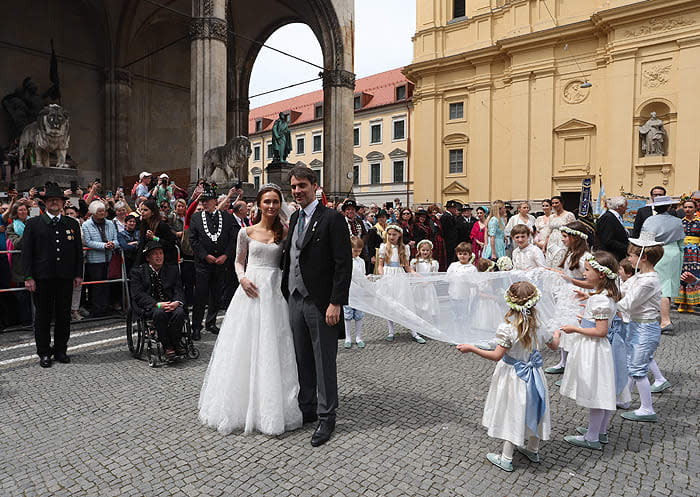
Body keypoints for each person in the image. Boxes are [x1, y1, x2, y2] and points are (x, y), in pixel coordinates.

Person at [199, 184, 302, 435]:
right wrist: (242, 278)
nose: (271, 206)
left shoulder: (285, 232)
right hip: (250, 290)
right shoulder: (245, 232)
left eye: (276, 202)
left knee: (273, 344)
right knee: (243, 346)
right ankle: (241, 404)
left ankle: (272, 405)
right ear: (259, 204)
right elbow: (237, 261)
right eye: (267, 201)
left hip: (274, 291)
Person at [282, 166, 352, 447]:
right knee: (302, 357)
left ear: (315, 186)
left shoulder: (332, 218)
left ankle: (327, 416)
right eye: (294, 187)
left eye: (302, 186)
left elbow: (343, 265)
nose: (297, 191)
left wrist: (336, 302)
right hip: (295, 298)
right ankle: (308, 407)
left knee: (324, 360)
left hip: (321, 302)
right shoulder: (296, 216)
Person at [456, 281, 552, 472]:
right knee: (535, 407)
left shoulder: (508, 327)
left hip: (512, 376)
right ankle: (533, 448)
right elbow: (554, 344)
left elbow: (497, 355)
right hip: (535, 373)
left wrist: (472, 349)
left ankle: (506, 457)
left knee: (512, 412)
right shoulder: (539, 324)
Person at [554, 251, 619, 450]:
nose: (584, 273)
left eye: (588, 270)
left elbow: (600, 330)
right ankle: (599, 430)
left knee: (595, 393)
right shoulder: (604, 295)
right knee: (601, 391)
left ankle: (592, 437)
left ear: (601, 275)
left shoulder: (600, 300)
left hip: (593, 349)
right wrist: (587, 301)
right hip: (597, 348)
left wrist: (575, 328)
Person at [22, 183, 83, 368]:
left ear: (63, 203)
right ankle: (44, 352)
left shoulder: (71, 223)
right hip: (42, 278)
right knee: (43, 317)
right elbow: (27, 253)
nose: (54, 203)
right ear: (45, 203)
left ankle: (60, 350)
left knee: (63, 316)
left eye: (58, 200)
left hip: (65, 278)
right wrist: (28, 277)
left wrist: (78, 274)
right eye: (50, 200)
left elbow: (78, 252)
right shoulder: (33, 224)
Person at [618, 232, 665, 422]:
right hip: (637, 325)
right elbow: (623, 290)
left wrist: (608, 305)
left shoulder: (648, 280)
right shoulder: (640, 276)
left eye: (631, 255)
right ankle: (625, 399)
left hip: (646, 327)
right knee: (631, 364)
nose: (629, 258)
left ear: (643, 257)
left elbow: (629, 302)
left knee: (638, 369)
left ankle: (647, 408)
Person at [189, 183, 236, 340]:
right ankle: (196, 325)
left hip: (221, 263)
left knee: (216, 294)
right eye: (203, 201)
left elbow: (233, 239)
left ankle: (211, 322)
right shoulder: (196, 218)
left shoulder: (227, 217)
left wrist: (226, 256)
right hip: (203, 264)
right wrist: (205, 255)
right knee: (200, 296)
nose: (204, 203)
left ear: (215, 201)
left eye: (208, 200)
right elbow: (193, 240)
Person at [544, 221, 592, 375]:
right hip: (567, 293)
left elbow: (590, 281)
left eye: (565, 236)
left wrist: (568, 279)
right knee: (563, 326)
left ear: (575, 238)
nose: (562, 239)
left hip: (579, 294)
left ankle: (574, 366)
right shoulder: (570, 253)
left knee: (574, 328)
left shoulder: (586, 258)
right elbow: (566, 274)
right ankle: (563, 361)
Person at [131, 241, 186, 359]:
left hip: (170, 303)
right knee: (159, 313)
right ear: (148, 258)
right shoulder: (138, 272)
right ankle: (167, 346)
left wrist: (176, 302)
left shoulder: (172, 269)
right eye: (155, 254)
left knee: (180, 312)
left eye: (161, 253)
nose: (159, 256)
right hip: (151, 306)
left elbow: (178, 289)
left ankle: (176, 342)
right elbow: (138, 294)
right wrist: (157, 304)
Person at [641, 196, 684, 332]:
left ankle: (663, 320)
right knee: (667, 287)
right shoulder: (677, 221)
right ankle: (664, 319)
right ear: (668, 207)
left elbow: (644, 240)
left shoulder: (649, 220)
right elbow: (681, 242)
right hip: (673, 252)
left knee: (654, 285)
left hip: (655, 252)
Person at [377, 224, 426, 344]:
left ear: (399, 235)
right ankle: (391, 331)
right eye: (389, 234)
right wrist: (382, 277)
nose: (391, 237)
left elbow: (408, 267)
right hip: (388, 276)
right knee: (389, 303)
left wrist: (418, 276)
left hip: (399, 276)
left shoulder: (404, 248)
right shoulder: (384, 247)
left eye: (394, 234)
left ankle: (413, 331)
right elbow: (380, 265)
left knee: (406, 303)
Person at [81, 200, 119, 317]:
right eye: (99, 211)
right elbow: (88, 242)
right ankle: (97, 309)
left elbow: (116, 239)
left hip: (109, 258)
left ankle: (106, 307)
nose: (102, 213)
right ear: (93, 212)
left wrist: (113, 244)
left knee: (107, 284)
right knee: (96, 285)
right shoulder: (86, 225)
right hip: (95, 259)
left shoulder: (110, 224)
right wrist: (103, 246)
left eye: (103, 211)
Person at [6, 202, 33, 325]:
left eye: (25, 210)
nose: (23, 212)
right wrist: (28, 231)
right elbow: (17, 243)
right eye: (20, 210)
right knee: (23, 294)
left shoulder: (33, 222)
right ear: (16, 213)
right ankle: (26, 320)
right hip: (20, 264)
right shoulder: (11, 227)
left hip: (35, 262)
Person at [676, 198, 700, 313]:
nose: (687, 209)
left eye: (690, 207)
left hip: (696, 253)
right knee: (682, 275)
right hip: (682, 252)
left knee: (693, 275)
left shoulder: (699, 222)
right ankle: (681, 302)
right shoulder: (680, 222)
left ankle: (691, 303)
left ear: (695, 208)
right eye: (685, 207)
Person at [136, 199, 177, 266]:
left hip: (166, 261)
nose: (142, 212)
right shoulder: (144, 225)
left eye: (145, 210)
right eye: (141, 210)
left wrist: (154, 238)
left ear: (152, 212)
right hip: (150, 261)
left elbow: (171, 243)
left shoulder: (161, 225)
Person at [343, 236, 366, 349]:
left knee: (359, 315)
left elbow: (362, 276)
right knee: (347, 315)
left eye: (359, 251)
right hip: (349, 291)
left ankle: (358, 337)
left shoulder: (361, 262)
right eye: (355, 251)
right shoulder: (345, 261)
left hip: (359, 292)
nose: (357, 253)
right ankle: (348, 337)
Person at [545, 196, 576, 267]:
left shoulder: (569, 215)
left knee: (561, 260)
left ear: (561, 203)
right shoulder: (551, 217)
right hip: (552, 242)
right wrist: (544, 246)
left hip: (563, 241)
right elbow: (549, 232)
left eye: (556, 203)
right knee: (551, 260)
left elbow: (573, 230)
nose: (554, 205)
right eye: (553, 203)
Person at [595, 196, 629, 261]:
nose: (626, 208)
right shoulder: (608, 218)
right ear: (619, 207)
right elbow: (607, 240)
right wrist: (626, 248)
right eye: (625, 206)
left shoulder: (614, 217)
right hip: (611, 256)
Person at [366, 209, 388, 274]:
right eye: (379, 217)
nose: (381, 219)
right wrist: (372, 256)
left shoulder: (388, 228)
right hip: (377, 253)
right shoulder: (373, 229)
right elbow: (370, 244)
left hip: (387, 252)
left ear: (386, 218)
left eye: (383, 217)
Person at [441, 200, 461, 265]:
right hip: (448, 242)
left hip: (452, 242)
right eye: (454, 208)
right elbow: (445, 231)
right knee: (449, 258)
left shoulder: (451, 216)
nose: (456, 210)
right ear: (450, 208)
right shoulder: (445, 217)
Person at [428, 204, 448, 271]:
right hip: (434, 239)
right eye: (433, 211)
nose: (434, 212)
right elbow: (432, 229)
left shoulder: (438, 219)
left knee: (441, 256)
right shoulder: (430, 219)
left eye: (435, 211)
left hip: (440, 239)